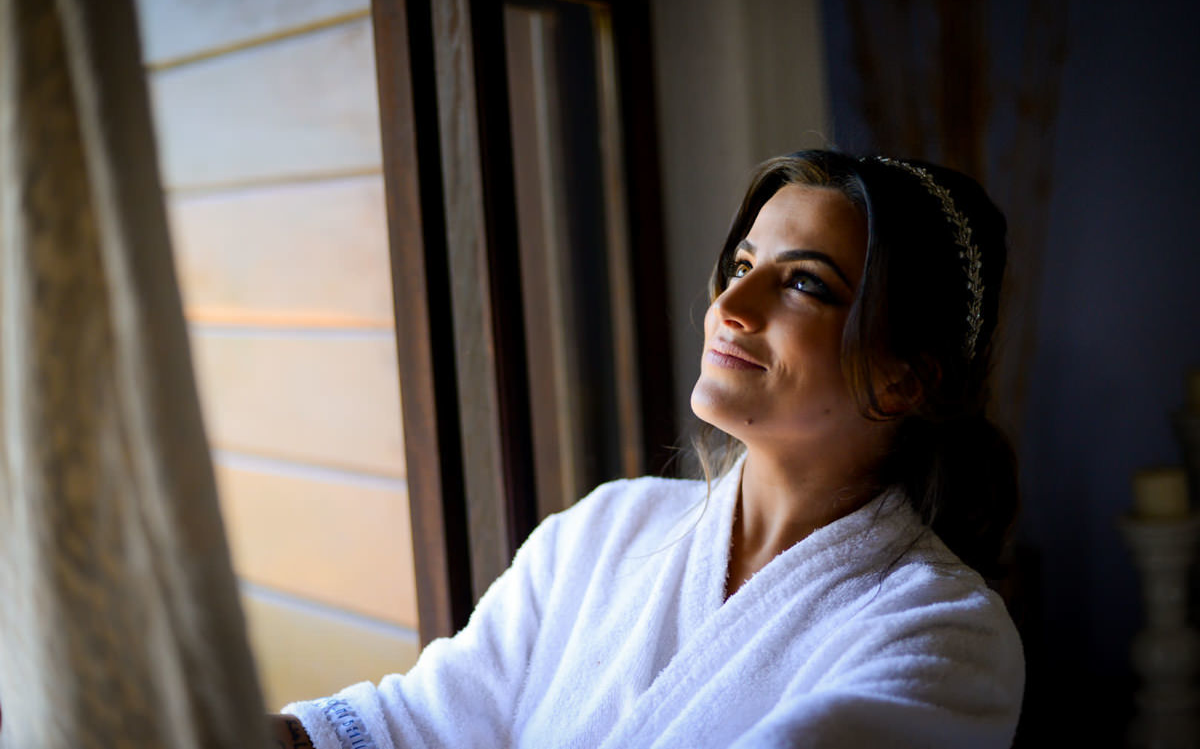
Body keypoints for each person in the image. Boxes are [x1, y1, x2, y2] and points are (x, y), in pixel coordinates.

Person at [271, 149, 1024, 748]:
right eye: (741, 265)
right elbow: (421, 723)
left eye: (802, 284)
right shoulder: (608, 527)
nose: (729, 308)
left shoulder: (946, 636)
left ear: (903, 380)